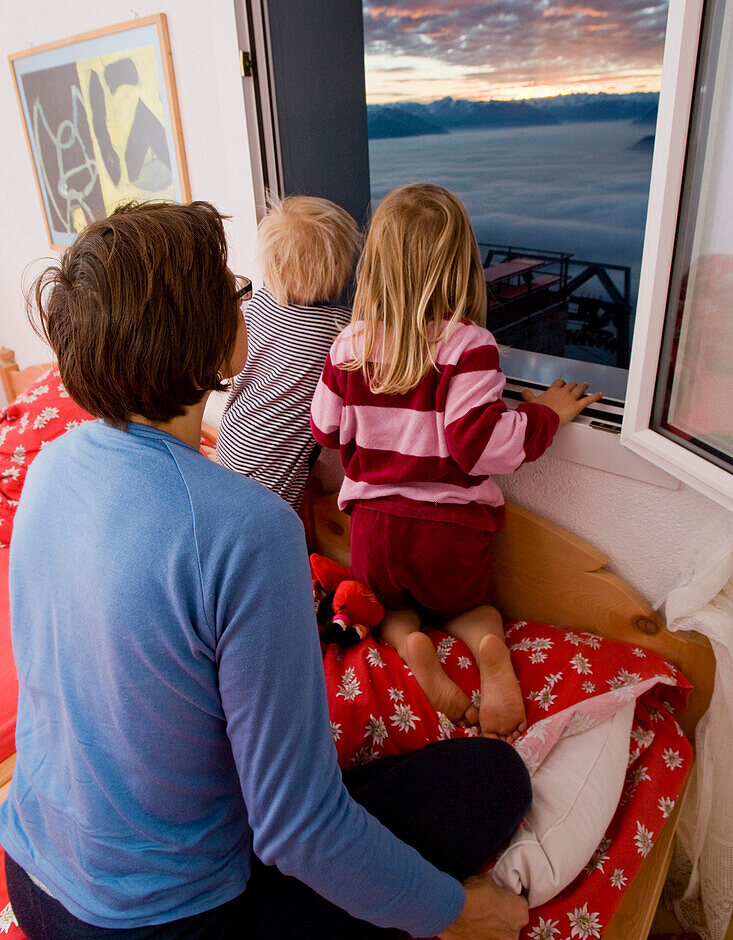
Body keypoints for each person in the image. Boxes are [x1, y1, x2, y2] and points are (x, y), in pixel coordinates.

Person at [0, 198, 531, 940]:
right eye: (234, 288)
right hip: (156, 923)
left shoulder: (50, 469)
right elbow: (296, 830)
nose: (246, 300)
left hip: (29, 870)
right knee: (492, 780)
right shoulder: (250, 529)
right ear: (215, 343)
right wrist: (457, 912)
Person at [310, 183, 603, 742]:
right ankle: (490, 649)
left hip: (375, 535)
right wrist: (546, 414)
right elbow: (484, 447)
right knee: (474, 611)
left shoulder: (348, 346)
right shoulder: (468, 346)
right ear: (459, 267)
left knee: (392, 613)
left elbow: (323, 430)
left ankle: (411, 646)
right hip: (449, 537)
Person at [216, 194, 358, 510]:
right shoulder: (339, 330)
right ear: (335, 268)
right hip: (272, 486)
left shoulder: (257, 306)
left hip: (229, 449)